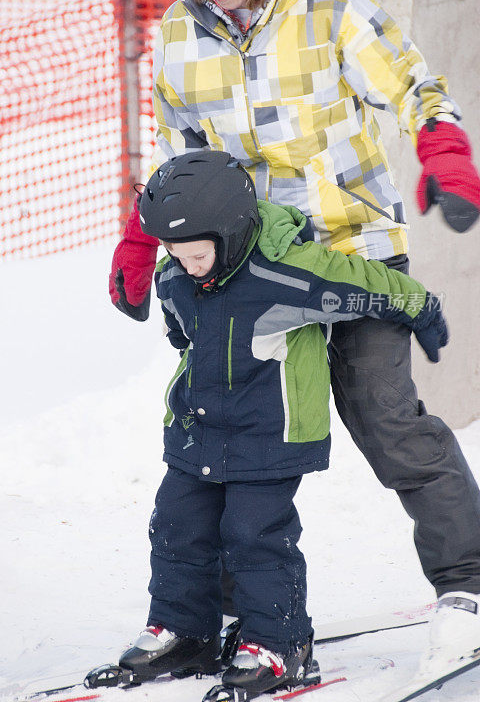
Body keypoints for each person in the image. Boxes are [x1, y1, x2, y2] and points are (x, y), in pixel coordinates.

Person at [109, 0, 480, 674]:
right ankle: (212, 616)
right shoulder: (182, 31)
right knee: (229, 437)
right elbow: (178, 147)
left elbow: (414, 85)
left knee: (388, 421)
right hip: (245, 268)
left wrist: (442, 147)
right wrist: (147, 237)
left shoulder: (331, 6)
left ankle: (468, 582)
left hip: (352, 251)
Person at [105, 151, 449, 700]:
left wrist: (421, 308)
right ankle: (184, 630)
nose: (187, 265)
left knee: (255, 537)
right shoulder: (177, 274)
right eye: (176, 253)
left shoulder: (283, 273)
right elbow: (178, 322)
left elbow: (363, 281)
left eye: (197, 254)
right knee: (177, 526)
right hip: (197, 430)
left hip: (270, 433)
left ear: (233, 232)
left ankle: (280, 643)